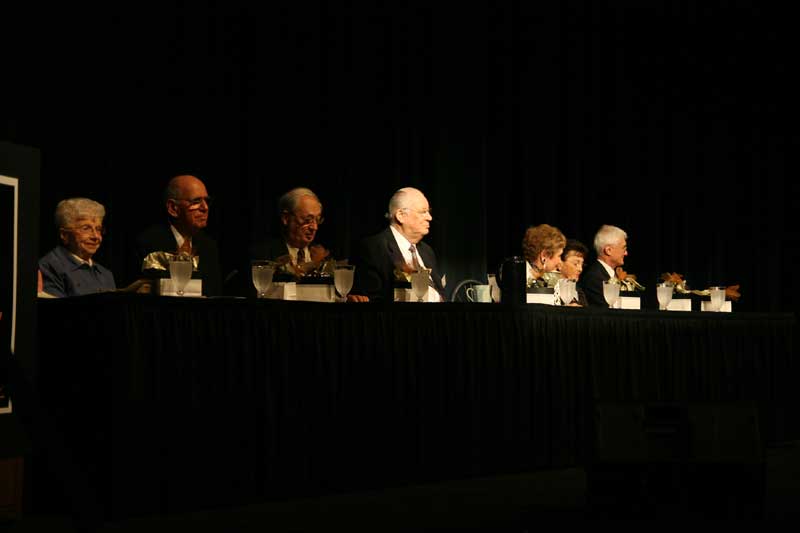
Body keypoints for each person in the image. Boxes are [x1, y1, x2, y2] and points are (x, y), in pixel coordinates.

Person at [349, 187, 445, 303]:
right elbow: (373, 300)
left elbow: (441, 293)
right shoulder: (374, 248)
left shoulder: (427, 251)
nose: (429, 217)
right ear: (401, 215)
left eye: (428, 212)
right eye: (423, 212)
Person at [134, 174, 222, 296]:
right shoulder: (148, 243)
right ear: (173, 208)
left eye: (207, 201)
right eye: (196, 201)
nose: (205, 208)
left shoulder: (209, 246)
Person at [38, 198, 116, 297]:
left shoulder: (105, 274)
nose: (95, 236)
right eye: (86, 228)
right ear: (64, 234)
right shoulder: (48, 268)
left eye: (98, 229)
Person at [578, 224, 628, 307]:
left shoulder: (606, 275)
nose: (626, 253)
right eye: (624, 248)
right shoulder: (594, 278)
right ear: (608, 250)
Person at [559, 239, 589, 307]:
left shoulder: (579, 292)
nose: (580, 269)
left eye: (582, 264)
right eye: (575, 264)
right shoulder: (550, 290)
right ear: (560, 263)